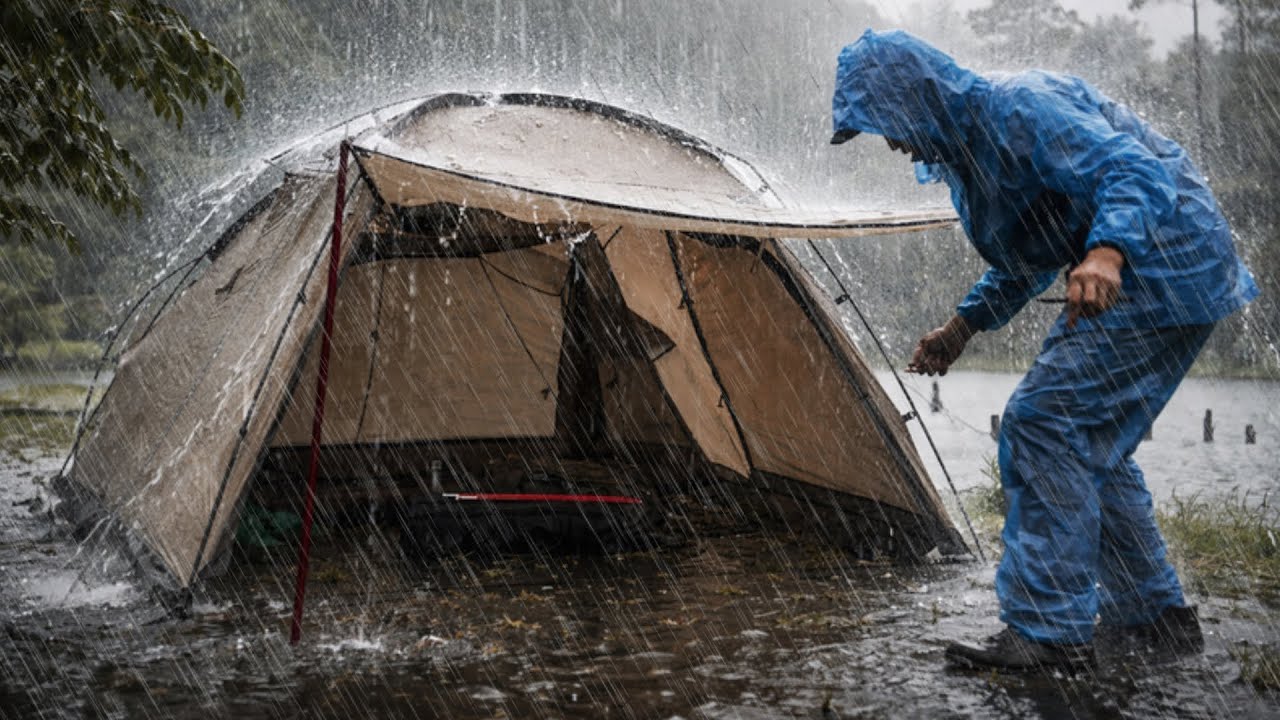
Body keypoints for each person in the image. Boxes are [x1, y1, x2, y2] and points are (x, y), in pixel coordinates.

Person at [830, 29, 1258, 672]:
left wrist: (1107, 252)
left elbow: (1134, 169)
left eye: (887, 122)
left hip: (1162, 262)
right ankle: (1156, 618)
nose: (892, 142)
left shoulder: (1018, 109)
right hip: (1159, 270)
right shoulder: (971, 159)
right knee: (1087, 446)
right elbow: (1025, 256)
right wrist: (961, 329)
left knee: (1042, 425)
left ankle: (1050, 636)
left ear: (919, 97)